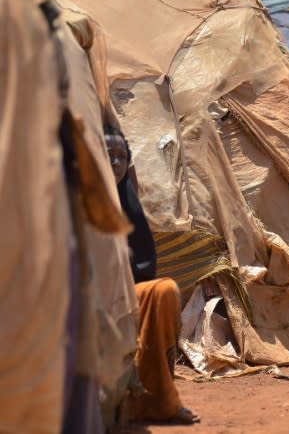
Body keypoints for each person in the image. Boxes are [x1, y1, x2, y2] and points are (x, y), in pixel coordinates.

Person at [104, 126, 200, 425]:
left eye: (122, 157)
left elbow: (142, 267)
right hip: (84, 299)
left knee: (164, 291)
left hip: (123, 296)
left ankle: (155, 399)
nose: (117, 163)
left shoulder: (127, 203)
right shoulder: (75, 200)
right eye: (109, 156)